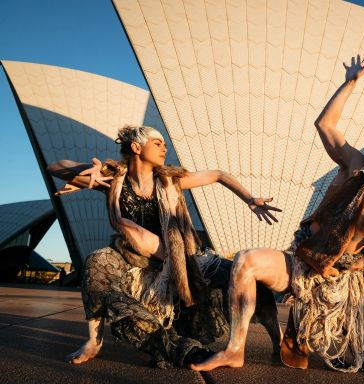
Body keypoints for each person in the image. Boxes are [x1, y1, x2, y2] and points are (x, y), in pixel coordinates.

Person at [190, 54, 364, 373]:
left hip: (348, 276)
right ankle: (234, 350)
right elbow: (325, 125)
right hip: (306, 264)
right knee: (246, 260)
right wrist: (351, 82)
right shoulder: (357, 166)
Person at [48, 125, 282, 368]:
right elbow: (54, 167)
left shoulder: (171, 180)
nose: (164, 147)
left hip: (179, 259)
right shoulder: (113, 180)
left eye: (164, 144)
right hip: (136, 259)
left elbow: (218, 174)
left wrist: (250, 199)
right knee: (96, 262)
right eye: (157, 143)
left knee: (241, 276)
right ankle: (93, 342)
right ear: (136, 147)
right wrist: (85, 170)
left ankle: (280, 342)